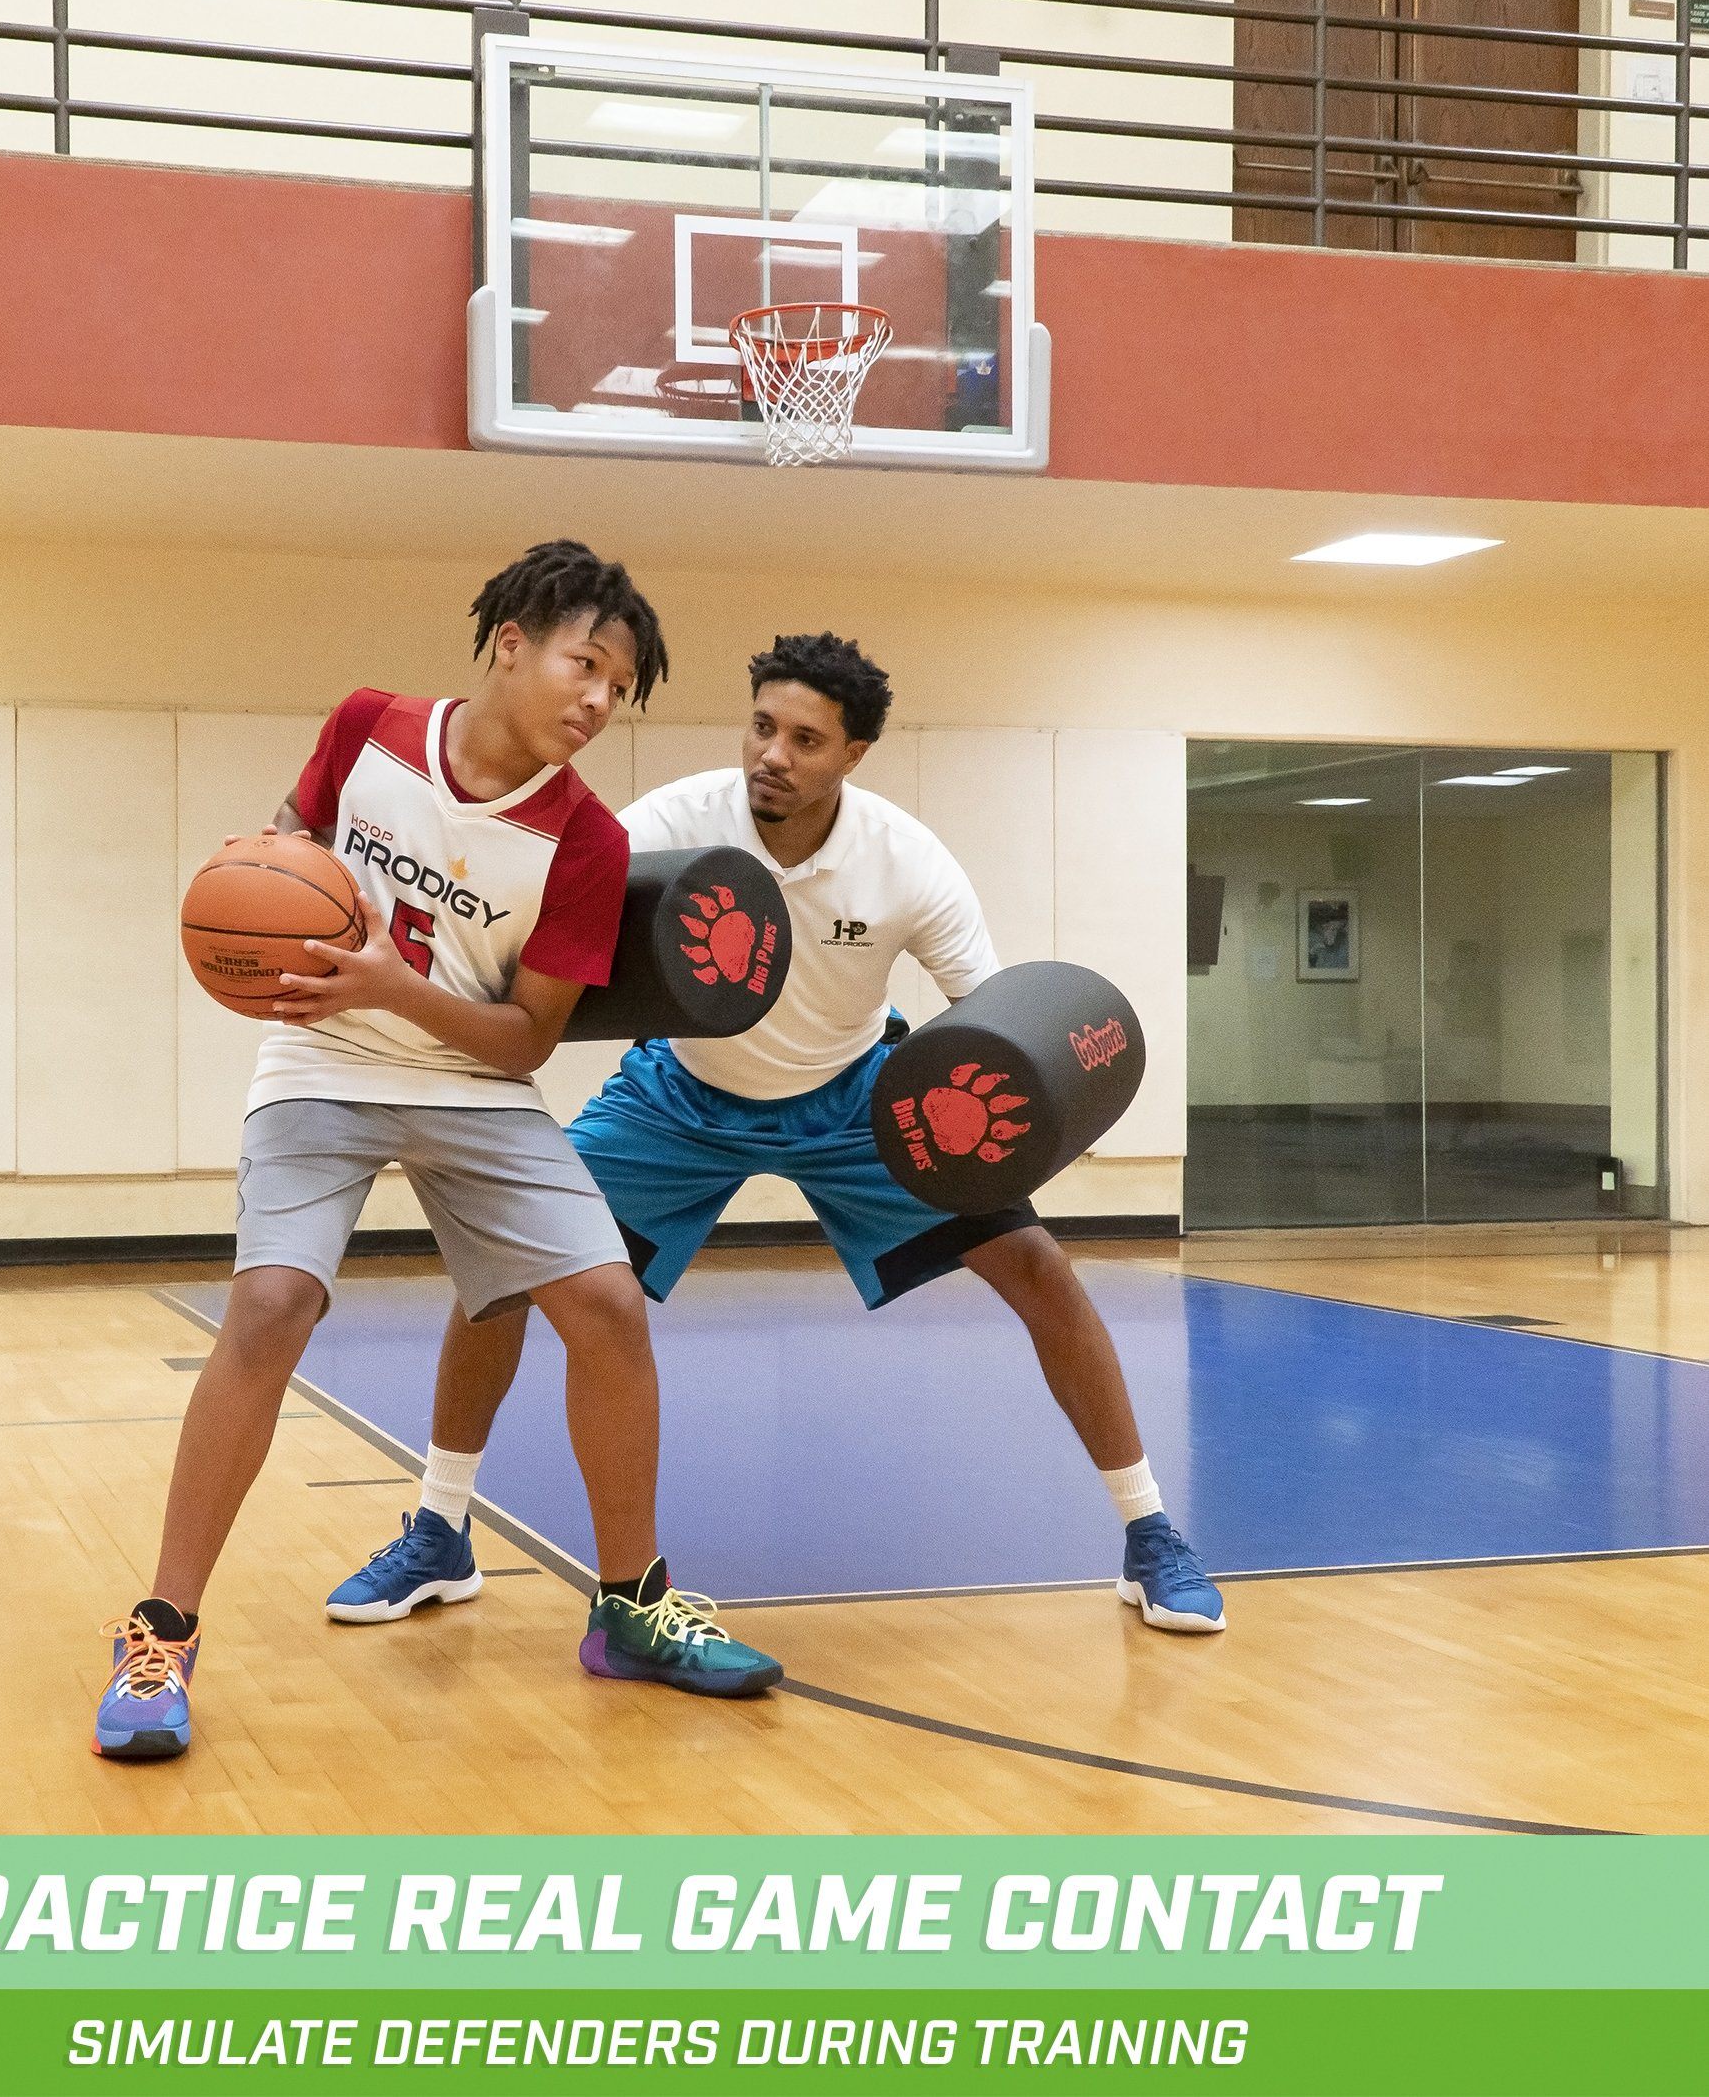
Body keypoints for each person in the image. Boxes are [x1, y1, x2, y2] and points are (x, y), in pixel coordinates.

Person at [329, 631, 1226, 1638]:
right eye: (762, 726)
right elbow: (553, 932)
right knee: (497, 1275)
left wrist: (1008, 1108)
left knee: (1041, 1271)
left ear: (852, 755)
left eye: (806, 739)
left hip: (852, 1100)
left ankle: (1151, 1538)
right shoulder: (670, 822)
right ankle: (439, 1530)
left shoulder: (904, 861)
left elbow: (992, 1012)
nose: (773, 754)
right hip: (680, 1097)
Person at [93, 542, 783, 1763]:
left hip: (472, 1085)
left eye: (619, 689)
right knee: (270, 1305)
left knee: (610, 1308)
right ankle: (159, 1635)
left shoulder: (586, 844)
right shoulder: (367, 728)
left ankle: (631, 1609)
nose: (596, 701)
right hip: (320, 1069)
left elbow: (522, 1042)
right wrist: (257, 893)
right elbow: (288, 841)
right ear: (508, 640)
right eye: (585, 664)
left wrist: (392, 984)